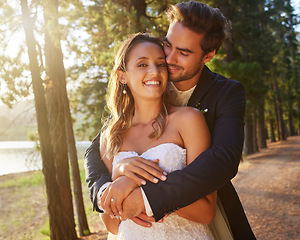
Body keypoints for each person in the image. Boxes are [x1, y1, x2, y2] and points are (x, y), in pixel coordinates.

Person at [85, 1, 256, 239]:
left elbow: (223, 160)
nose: (168, 58)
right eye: (167, 44)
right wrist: (116, 176)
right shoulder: (130, 109)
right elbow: (95, 152)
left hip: (200, 214)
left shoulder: (225, 94)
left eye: (183, 52)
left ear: (208, 55)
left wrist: (142, 192)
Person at [98, 33, 217, 239]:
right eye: (142, 64)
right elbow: (112, 225)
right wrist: (119, 175)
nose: (154, 71)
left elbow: (206, 212)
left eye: (160, 64)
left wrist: (135, 184)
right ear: (122, 76)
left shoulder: (188, 120)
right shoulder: (112, 137)